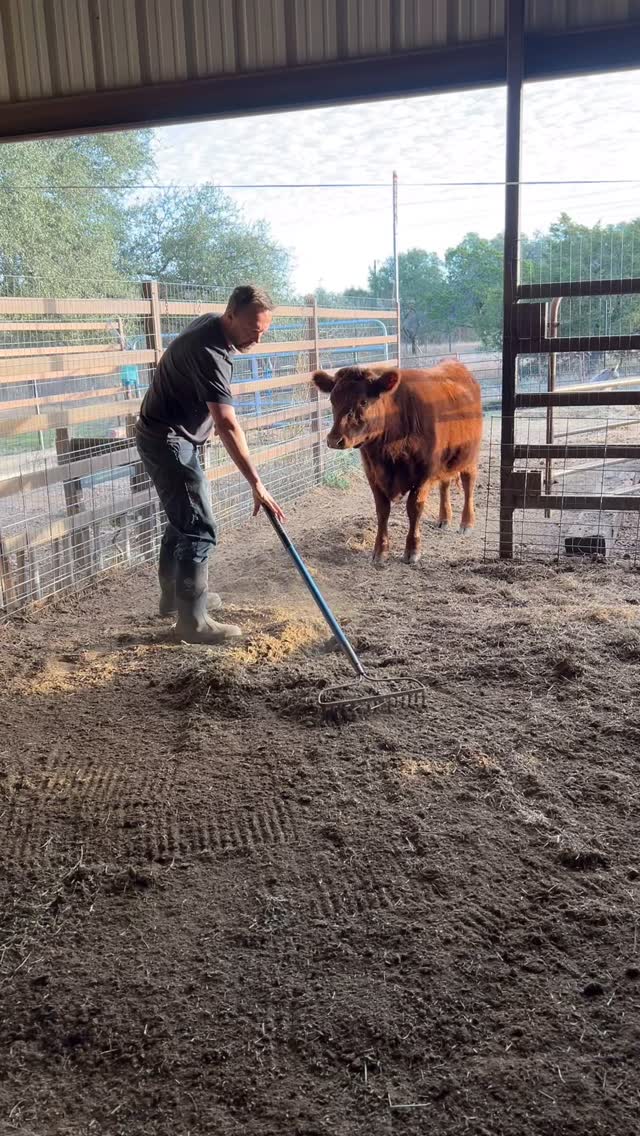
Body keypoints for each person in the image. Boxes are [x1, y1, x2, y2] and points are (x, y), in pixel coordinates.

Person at [135, 284, 286, 645]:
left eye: (264, 331)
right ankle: (194, 620)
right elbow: (228, 423)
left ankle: (176, 596)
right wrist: (256, 483)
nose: (258, 339)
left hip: (166, 434)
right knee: (199, 527)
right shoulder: (211, 352)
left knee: (182, 518)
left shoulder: (209, 326)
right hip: (169, 440)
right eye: (253, 329)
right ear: (230, 315)